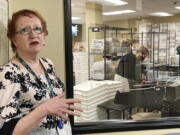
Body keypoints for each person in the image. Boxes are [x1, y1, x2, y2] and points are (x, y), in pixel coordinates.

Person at [0, 9, 82, 135]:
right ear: (14, 40)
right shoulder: (9, 73)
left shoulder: (47, 64)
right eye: (25, 30)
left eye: (37, 29)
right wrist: (45, 109)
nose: (33, 35)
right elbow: (5, 130)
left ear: (44, 35)